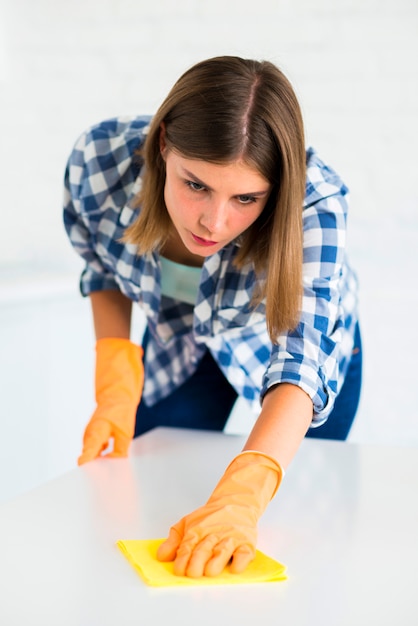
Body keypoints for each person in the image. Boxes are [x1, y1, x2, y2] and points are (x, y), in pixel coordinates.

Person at [63, 55, 362, 578]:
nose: (213, 221)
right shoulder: (101, 161)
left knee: (296, 531)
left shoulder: (316, 202)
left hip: (295, 364)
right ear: (163, 146)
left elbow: (303, 358)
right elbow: (102, 265)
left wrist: (247, 487)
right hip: (179, 341)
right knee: (144, 504)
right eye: (196, 184)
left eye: (246, 197)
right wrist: (115, 377)